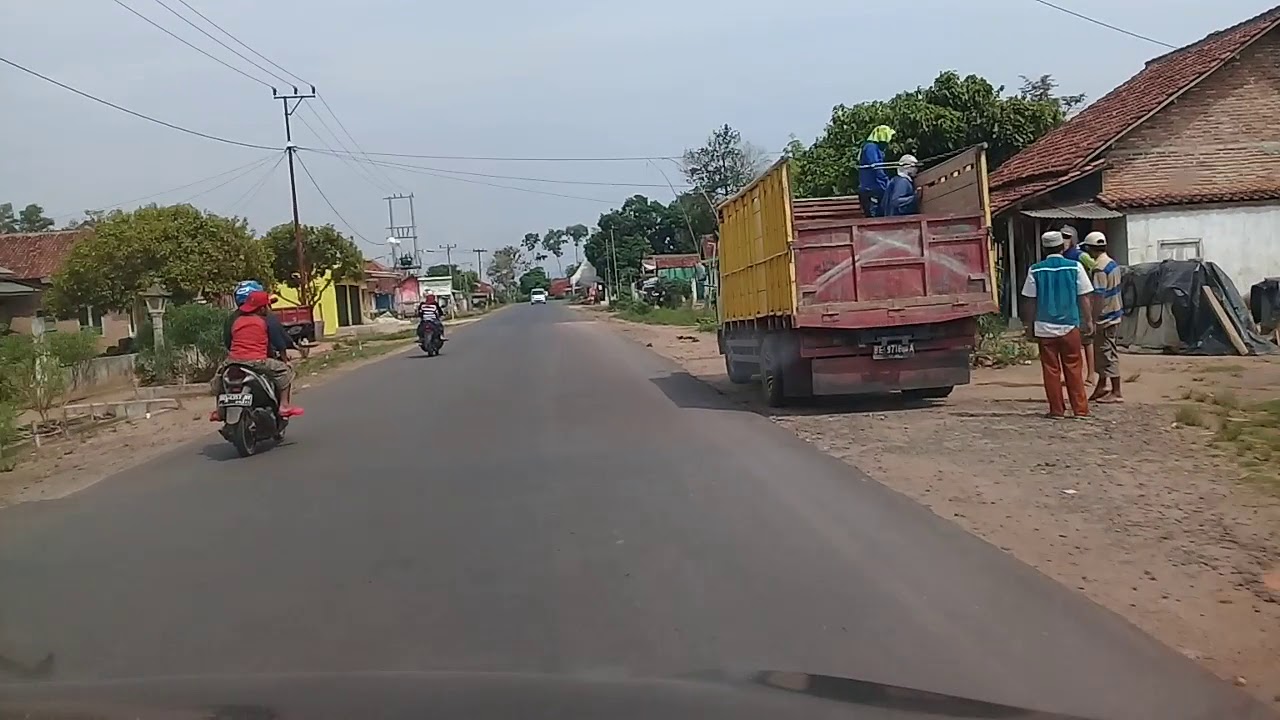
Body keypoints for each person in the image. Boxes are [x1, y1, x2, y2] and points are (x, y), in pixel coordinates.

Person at [1021, 230, 1093, 419]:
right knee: (1074, 368)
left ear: (1045, 249)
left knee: (1051, 370)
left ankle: (1056, 410)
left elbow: (1029, 300)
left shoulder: (1035, 270)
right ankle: (1080, 409)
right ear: (1062, 247)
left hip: (1044, 328)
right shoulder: (1075, 267)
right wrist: (1089, 320)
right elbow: (1084, 297)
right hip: (1070, 325)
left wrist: (1029, 325)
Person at [215, 288, 299, 415]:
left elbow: (228, 341)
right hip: (257, 362)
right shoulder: (265, 321)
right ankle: (284, 406)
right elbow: (278, 341)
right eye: (266, 305)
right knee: (285, 372)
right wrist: (285, 360)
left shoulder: (236, 321)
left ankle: (219, 410)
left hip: (232, 361)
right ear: (262, 309)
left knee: (219, 378)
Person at [1083, 231, 1124, 403]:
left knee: (1107, 353)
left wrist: (1092, 318)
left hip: (1106, 316)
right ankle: (1102, 385)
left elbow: (1098, 296)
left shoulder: (1099, 268)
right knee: (1102, 352)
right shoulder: (1112, 264)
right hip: (1115, 311)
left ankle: (1116, 391)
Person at [1059, 224, 1097, 385]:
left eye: (1067, 237)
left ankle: (1091, 375)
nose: (1064, 240)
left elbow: (1095, 267)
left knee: (1086, 340)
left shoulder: (1079, 255)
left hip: (1081, 300)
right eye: (1062, 236)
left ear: (1073, 239)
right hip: (1067, 302)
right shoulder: (1061, 256)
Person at [857, 125, 895, 218]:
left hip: (874, 190)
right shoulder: (871, 147)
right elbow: (876, 167)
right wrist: (887, 183)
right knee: (874, 220)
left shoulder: (876, 148)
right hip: (871, 190)